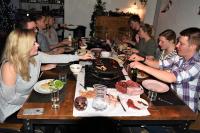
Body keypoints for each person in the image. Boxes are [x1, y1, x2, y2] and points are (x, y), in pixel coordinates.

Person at [0, 29, 92, 123]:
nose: (38, 45)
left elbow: (55, 58)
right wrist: (33, 100)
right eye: (33, 43)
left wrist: (80, 57)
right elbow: (10, 98)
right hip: (13, 110)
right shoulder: (9, 67)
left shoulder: (35, 56)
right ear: (23, 47)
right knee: (54, 110)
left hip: (31, 98)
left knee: (59, 106)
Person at [130, 27, 200, 112]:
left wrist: (141, 66)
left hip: (185, 108)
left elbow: (172, 77)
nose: (177, 45)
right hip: (172, 98)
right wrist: (141, 59)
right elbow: (160, 64)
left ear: (193, 47)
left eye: (181, 43)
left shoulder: (196, 64)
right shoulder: (179, 56)